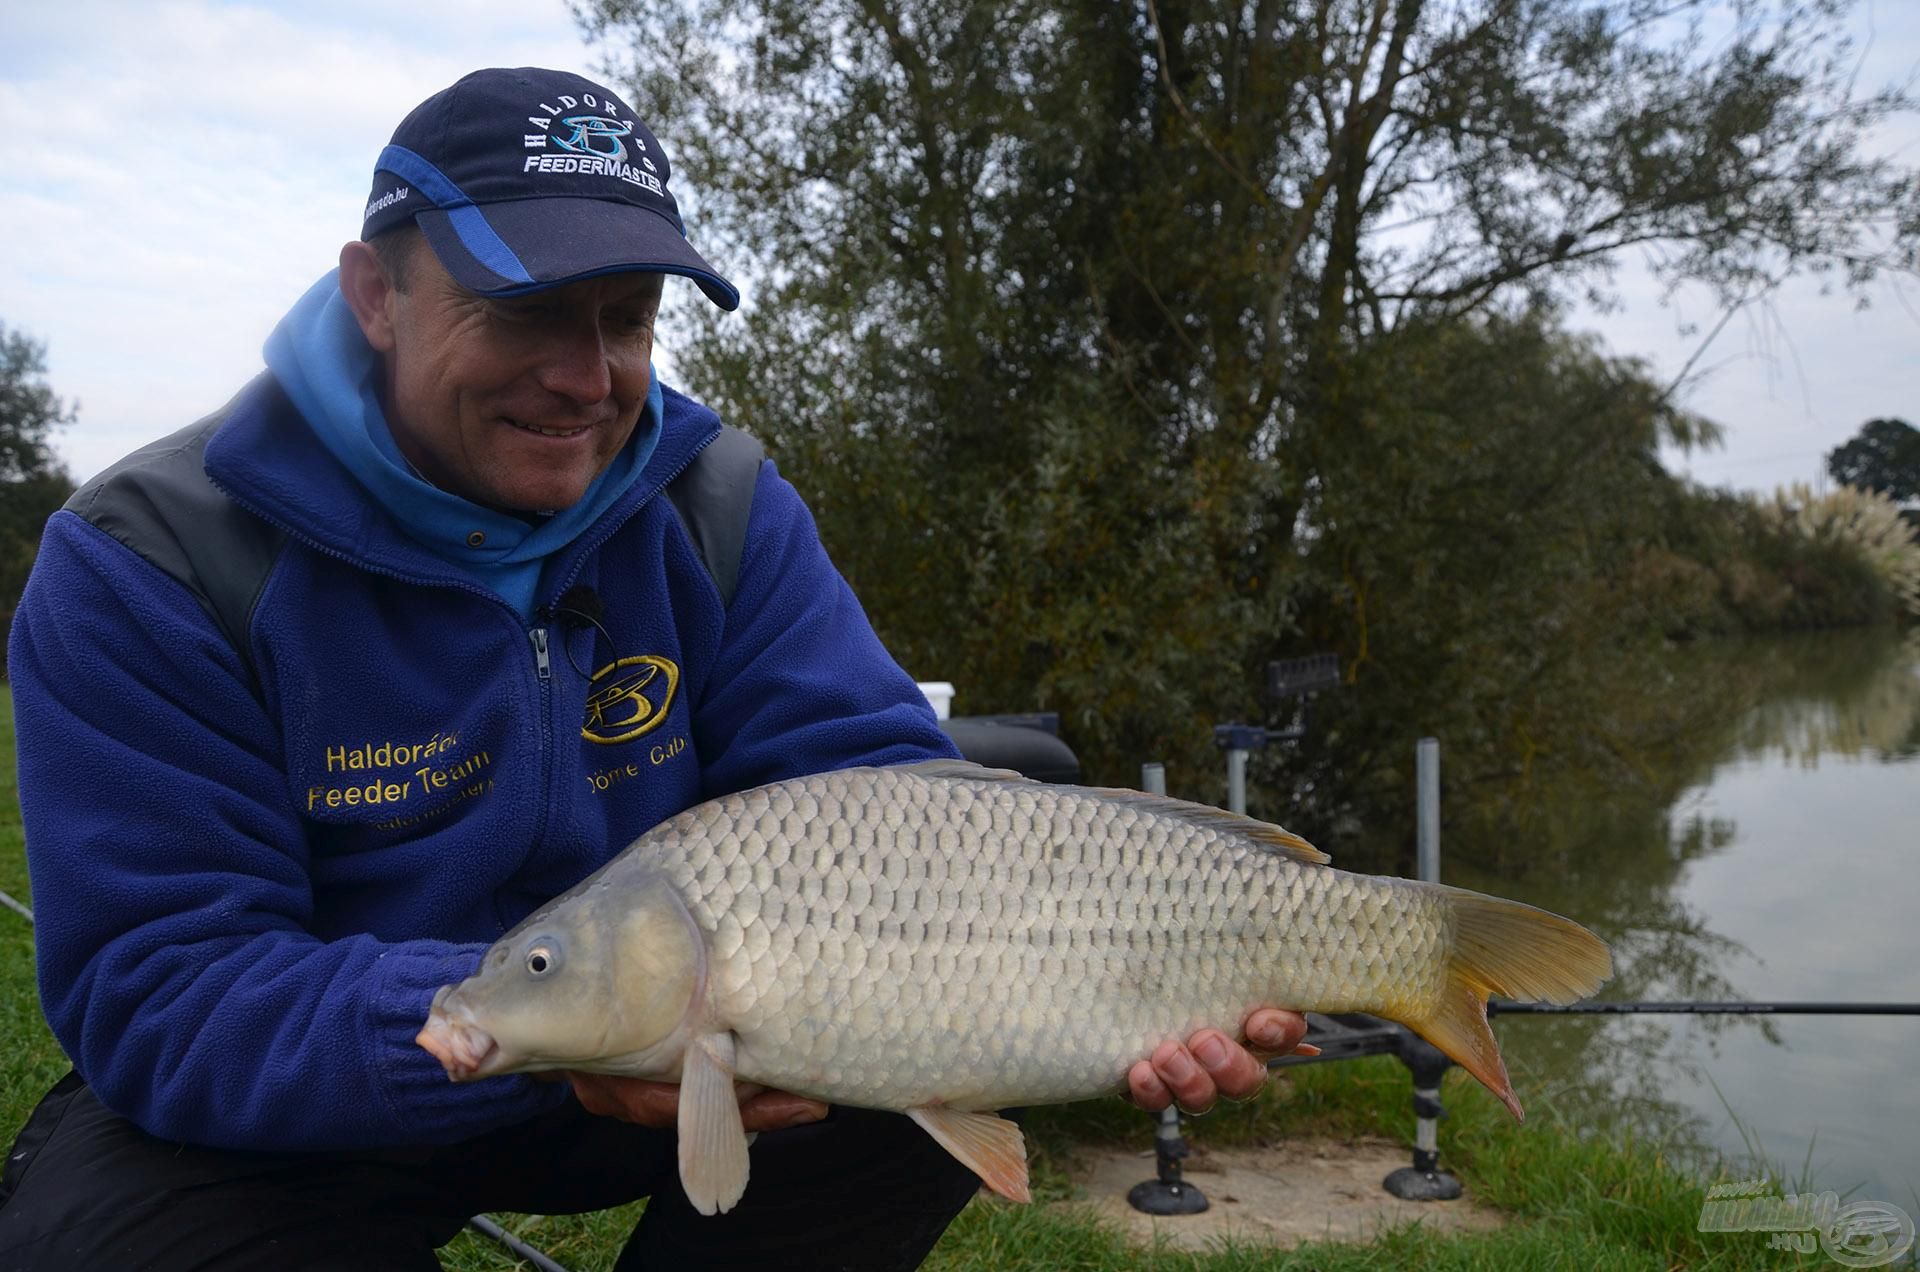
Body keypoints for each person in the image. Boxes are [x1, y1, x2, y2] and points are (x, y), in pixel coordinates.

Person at [0, 67, 1309, 1270]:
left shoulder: (713, 502)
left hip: (685, 1048)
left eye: (625, 320)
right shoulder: (152, 560)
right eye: (525, 313)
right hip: (347, 1079)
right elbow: (166, 986)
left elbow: (881, 799)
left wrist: (1129, 977)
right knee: (100, 1243)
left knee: (908, 1080)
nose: (585, 378)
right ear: (374, 294)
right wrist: (513, 1033)